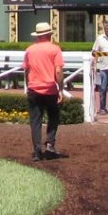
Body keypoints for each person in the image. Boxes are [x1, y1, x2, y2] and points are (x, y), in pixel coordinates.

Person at [23, 21, 65, 161]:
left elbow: (26, 70)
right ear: (49, 35)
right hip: (50, 89)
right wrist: (61, 89)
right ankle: (50, 143)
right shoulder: (55, 49)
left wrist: (28, 85)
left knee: (35, 121)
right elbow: (58, 71)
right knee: (53, 116)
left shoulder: (29, 50)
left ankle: (36, 151)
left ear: (37, 36)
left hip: (34, 88)